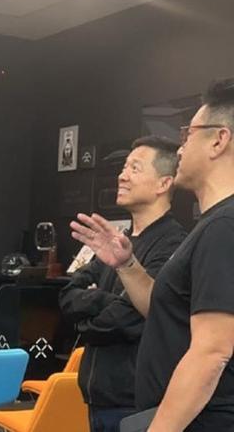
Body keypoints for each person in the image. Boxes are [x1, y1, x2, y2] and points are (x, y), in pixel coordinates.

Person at [71, 78, 234, 431]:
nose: (180, 149)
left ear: (219, 140)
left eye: (188, 135)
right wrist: (127, 264)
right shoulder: (211, 226)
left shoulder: (224, 226)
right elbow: (164, 308)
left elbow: (212, 352)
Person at [60, 136, 186, 432]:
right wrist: (106, 301)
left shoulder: (174, 244)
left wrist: (88, 316)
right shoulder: (115, 241)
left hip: (136, 401)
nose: (122, 175)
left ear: (163, 183)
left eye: (134, 168)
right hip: (98, 396)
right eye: (124, 167)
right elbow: (68, 295)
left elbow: (130, 318)